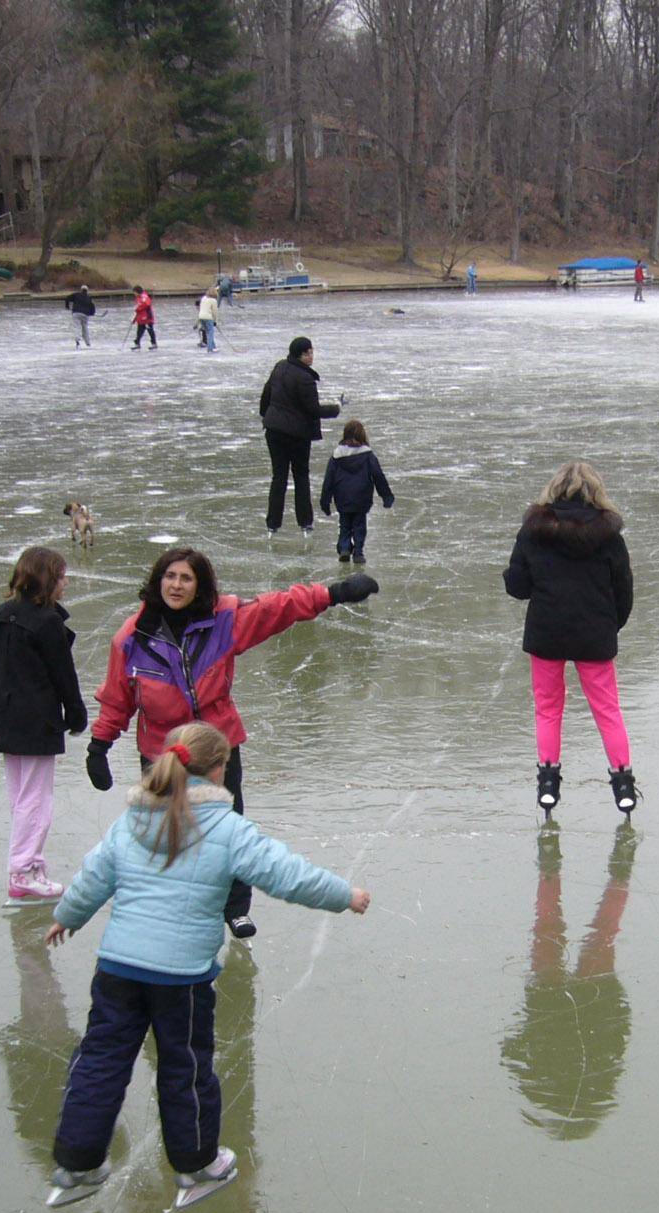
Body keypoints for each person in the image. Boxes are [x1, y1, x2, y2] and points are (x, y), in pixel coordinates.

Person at [43, 721, 370, 1209]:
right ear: (219, 770)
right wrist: (347, 895)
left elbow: (93, 876)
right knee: (186, 1069)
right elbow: (286, 875)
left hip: (117, 970)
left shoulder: (131, 819)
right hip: (181, 981)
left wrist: (65, 916)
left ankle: (76, 1163)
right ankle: (197, 1165)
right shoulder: (226, 827)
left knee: (101, 1060)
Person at [87, 547, 379, 939]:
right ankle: (176, 906)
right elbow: (117, 697)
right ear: (158, 581)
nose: (176, 585)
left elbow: (277, 608)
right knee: (166, 832)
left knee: (227, 828)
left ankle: (235, 907)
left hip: (215, 749)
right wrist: (99, 745)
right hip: (162, 751)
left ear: (199, 586)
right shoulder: (132, 638)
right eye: (170, 576)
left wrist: (333, 593)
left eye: (186, 578)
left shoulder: (222, 621)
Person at [502, 461, 638, 819]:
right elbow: (623, 589)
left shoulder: (533, 532)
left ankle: (548, 782)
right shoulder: (609, 536)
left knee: (548, 710)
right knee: (608, 711)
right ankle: (623, 784)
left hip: (547, 633)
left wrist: (514, 573)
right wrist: (612, 626)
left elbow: (517, 587)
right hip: (594, 634)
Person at [0, 546, 88, 905]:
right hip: (36, 720)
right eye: (62, 576)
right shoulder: (46, 621)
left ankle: (31, 864)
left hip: (6, 719)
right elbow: (62, 675)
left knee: (21, 797)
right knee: (36, 799)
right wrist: (76, 713)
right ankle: (23, 871)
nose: (66, 582)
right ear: (48, 579)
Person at [258, 335, 342, 533]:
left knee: (278, 477)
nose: (312, 356)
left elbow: (266, 395)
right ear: (302, 354)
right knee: (301, 476)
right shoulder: (305, 378)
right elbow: (312, 409)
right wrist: (336, 408)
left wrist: (268, 417)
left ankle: (273, 523)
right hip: (296, 435)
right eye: (310, 353)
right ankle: (305, 522)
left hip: (274, 431)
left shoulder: (279, 367)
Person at [318, 419, 395, 566]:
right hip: (362, 497)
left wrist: (325, 501)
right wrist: (386, 496)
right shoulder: (368, 455)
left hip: (342, 497)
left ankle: (345, 548)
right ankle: (358, 552)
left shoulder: (336, 456)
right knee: (359, 524)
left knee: (345, 524)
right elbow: (378, 475)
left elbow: (328, 480)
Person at [196, 287, 220, 352]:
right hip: (208, 318)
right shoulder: (213, 300)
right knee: (210, 333)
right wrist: (215, 321)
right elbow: (215, 312)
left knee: (208, 333)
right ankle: (210, 349)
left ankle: (214, 347)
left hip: (201, 317)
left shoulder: (203, 298)